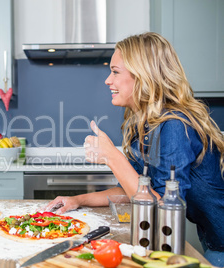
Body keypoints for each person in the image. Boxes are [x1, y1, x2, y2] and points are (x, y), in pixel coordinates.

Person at [43, 32, 224, 266]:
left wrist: (112, 157)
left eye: (115, 72)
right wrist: (78, 199)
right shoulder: (146, 123)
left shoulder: (175, 125)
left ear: (143, 76)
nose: (108, 80)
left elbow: (160, 210)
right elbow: (135, 190)